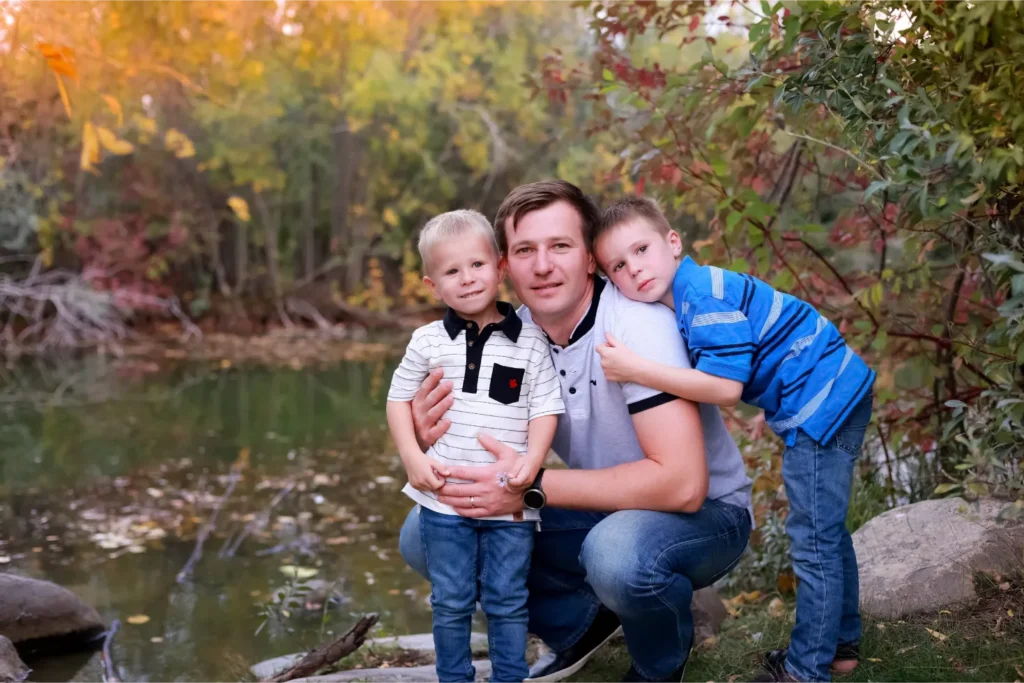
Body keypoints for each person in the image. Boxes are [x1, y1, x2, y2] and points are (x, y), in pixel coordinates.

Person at [397, 181, 753, 683]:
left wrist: (528, 486)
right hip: (606, 506)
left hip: (707, 515)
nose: (542, 266)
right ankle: (580, 623)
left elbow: (683, 486)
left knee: (616, 552)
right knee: (427, 531)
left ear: (589, 259)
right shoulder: (510, 338)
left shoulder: (635, 328)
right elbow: (470, 441)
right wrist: (425, 434)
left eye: (560, 246)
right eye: (525, 250)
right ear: (505, 265)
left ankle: (661, 660)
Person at [591, 196, 875, 683]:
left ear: (672, 242)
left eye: (641, 249)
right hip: (832, 390)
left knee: (813, 540)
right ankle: (839, 646)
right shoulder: (696, 290)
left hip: (821, 401)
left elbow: (725, 390)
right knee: (825, 531)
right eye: (618, 264)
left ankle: (806, 671)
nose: (634, 269)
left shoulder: (701, 297)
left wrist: (636, 368)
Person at [386, 209, 565, 683]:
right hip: (444, 501)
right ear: (433, 285)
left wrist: (533, 459)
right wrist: (412, 458)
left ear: (500, 267)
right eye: (451, 272)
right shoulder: (426, 341)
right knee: (451, 600)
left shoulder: (531, 341)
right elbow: (397, 400)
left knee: (508, 599)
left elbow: (545, 407)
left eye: (477, 266)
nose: (467, 280)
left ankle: (511, 678)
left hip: (510, 503)